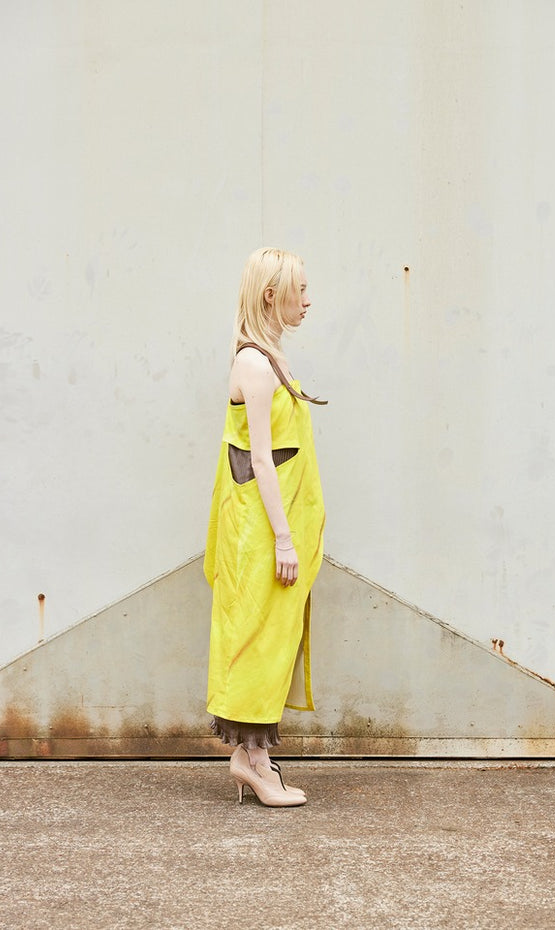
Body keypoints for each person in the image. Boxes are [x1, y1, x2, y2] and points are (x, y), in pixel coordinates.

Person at [204, 247, 326, 807]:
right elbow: (258, 457)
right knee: (256, 638)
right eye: (300, 290)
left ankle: (251, 759)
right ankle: (253, 762)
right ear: (271, 295)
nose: (308, 300)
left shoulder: (271, 358)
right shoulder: (254, 365)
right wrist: (282, 538)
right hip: (258, 533)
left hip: (273, 527)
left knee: (273, 638)